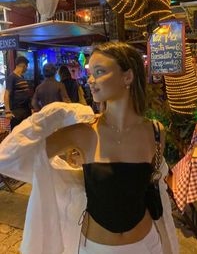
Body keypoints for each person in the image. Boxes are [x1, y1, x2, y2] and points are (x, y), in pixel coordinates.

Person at [0, 42, 178, 254]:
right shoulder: (81, 133)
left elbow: (154, 186)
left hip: (147, 245)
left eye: (100, 72)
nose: (91, 80)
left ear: (127, 77)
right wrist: (55, 114)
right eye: (90, 73)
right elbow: (9, 157)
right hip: (96, 248)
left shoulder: (156, 132)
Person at [4, 56, 31, 130]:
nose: (27, 69)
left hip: (26, 110)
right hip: (17, 111)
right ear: (24, 66)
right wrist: (7, 111)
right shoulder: (11, 77)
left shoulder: (21, 77)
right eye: (27, 67)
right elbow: (6, 95)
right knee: (17, 135)